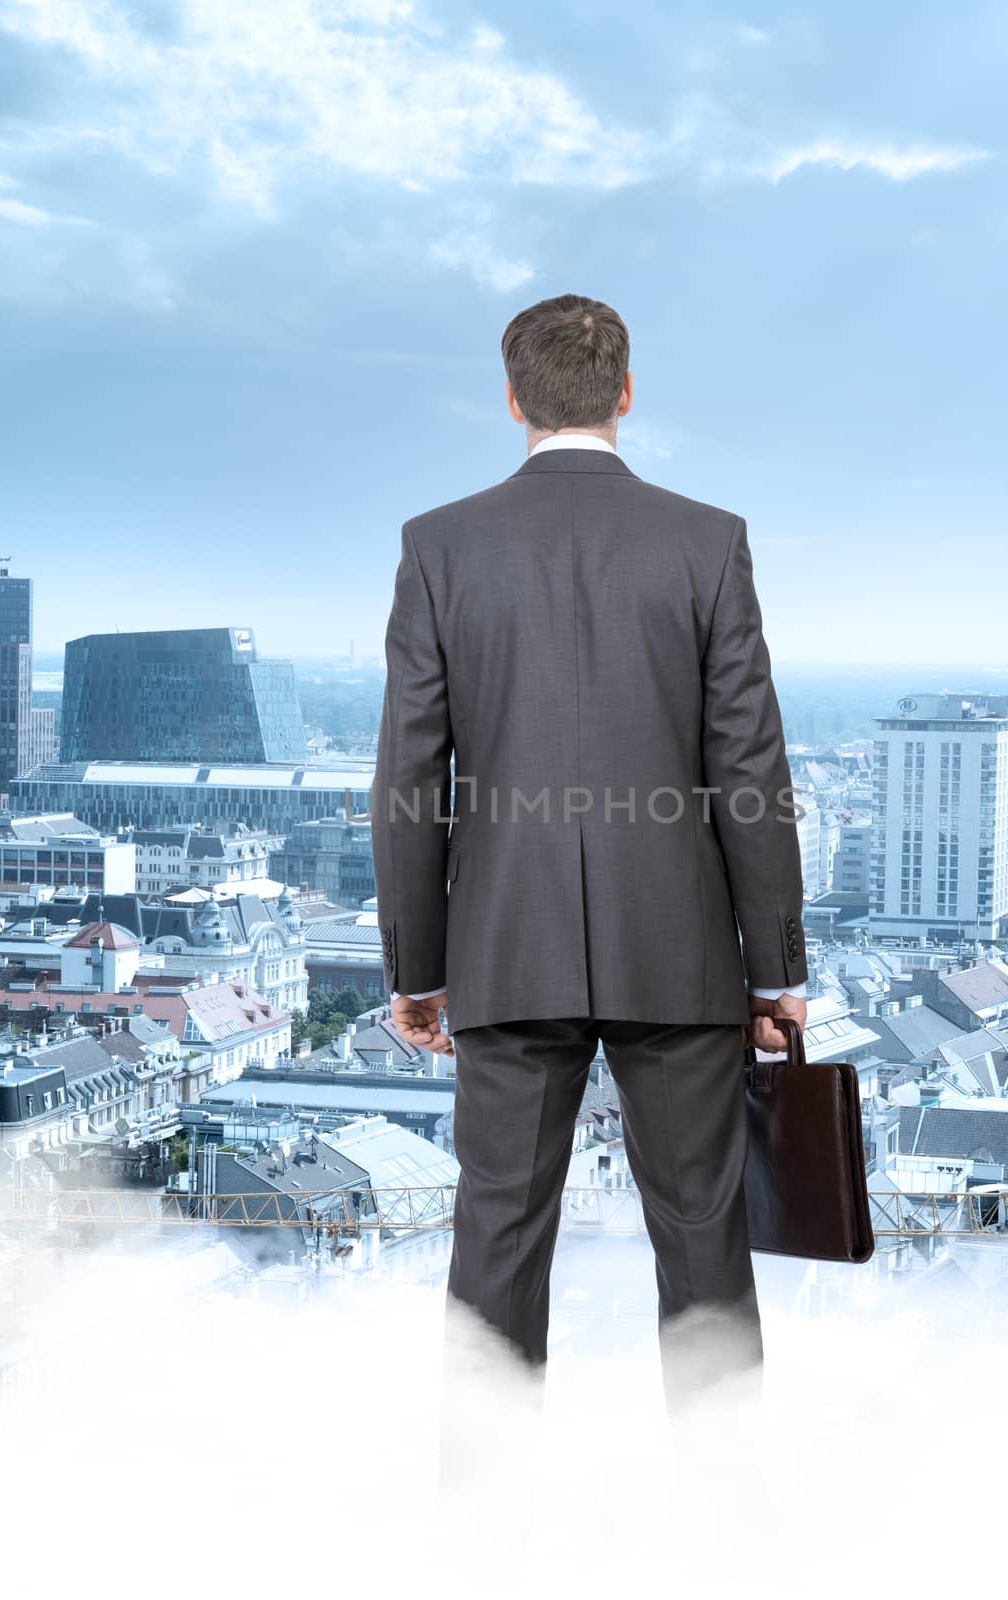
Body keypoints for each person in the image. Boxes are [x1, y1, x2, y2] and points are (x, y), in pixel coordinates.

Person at [371, 293, 807, 1414]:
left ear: (512, 399)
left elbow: (411, 778)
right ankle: (725, 1533)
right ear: (624, 393)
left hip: (505, 951)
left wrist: (418, 970)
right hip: (680, 953)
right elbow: (749, 768)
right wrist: (775, 972)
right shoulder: (708, 541)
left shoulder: (439, 545)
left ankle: (480, 1532)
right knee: (704, 1243)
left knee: (496, 1243)